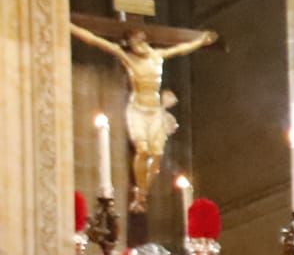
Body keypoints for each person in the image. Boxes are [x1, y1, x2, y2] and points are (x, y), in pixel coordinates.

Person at [69, 23, 217, 211]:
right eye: (134, 42)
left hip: (154, 110)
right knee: (143, 150)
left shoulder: (157, 57)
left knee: (157, 155)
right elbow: (94, 39)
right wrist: (69, 26)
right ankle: (140, 194)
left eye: (140, 39)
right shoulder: (128, 59)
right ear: (130, 45)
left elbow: (181, 49)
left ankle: (141, 194)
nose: (138, 44)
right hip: (138, 109)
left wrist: (201, 40)